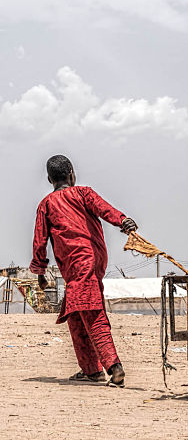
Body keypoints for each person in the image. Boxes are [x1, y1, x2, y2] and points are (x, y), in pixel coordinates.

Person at [30, 155, 138, 387]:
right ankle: (91, 370)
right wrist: (123, 221)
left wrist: (40, 272)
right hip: (94, 260)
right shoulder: (84, 193)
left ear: (50, 179)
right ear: (71, 173)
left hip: (79, 265)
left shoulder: (46, 205)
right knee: (76, 314)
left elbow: (39, 241)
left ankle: (113, 367)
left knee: (92, 313)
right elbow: (105, 209)